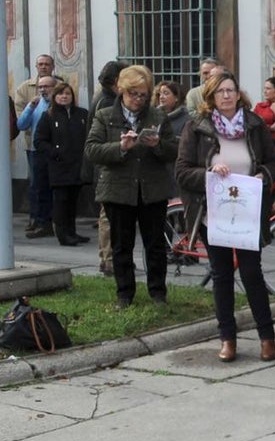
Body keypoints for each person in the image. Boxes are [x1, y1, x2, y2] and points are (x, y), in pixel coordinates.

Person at [176, 71, 275, 363]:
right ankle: (228, 338)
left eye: (231, 90)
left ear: (239, 94)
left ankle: (267, 338)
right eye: (220, 91)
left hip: (247, 212)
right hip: (214, 215)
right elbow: (182, 171)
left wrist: (264, 175)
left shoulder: (255, 124)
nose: (226, 95)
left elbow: (273, 160)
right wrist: (208, 173)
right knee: (222, 276)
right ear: (210, 96)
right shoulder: (197, 128)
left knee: (252, 273)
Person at [85, 65, 178, 308]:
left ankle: (158, 292)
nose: (138, 100)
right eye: (133, 94)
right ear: (122, 91)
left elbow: (174, 151)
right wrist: (120, 147)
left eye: (143, 95)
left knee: (155, 244)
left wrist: (158, 144)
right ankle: (124, 294)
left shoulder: (158, 117)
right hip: (118, 190)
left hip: (152, 189)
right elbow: (91, 150)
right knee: (121, 245)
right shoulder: (105, 115)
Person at [34, 82, 89, 246]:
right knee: (61, 202)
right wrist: (54, 153)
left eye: (67, 94)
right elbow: (39, 140)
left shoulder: (82, 114)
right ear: (55, 97)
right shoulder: (48, 116)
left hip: (77, 165)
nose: (64, 97)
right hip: (59, 167)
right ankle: (63, 235)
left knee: (73, 201)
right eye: (60, 94)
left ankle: (72, 231)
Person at [88, 61, 129, 276]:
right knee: (108, 216)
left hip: (107, 163)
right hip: (108, 165)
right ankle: (109, 260)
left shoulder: (104, 97)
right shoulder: (106, 101)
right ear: (116, 81)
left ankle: (111, 259)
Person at [18, 73, 58, 238]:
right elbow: (21, 125)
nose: (43, 90)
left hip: (56, 153)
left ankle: (56, 223)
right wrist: (29, 108)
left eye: (46, 86)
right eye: (40, 87)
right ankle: (41, 222)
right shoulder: (35, 105)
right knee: (39, 188)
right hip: (37, 153)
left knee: (56, 189)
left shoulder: (59, 104)